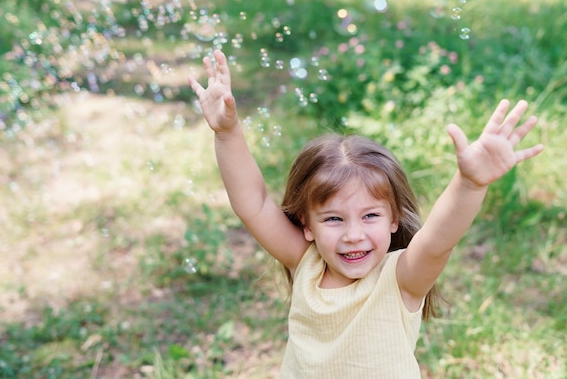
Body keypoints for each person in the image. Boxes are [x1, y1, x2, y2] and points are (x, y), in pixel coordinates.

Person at [188, 49, 543, 378]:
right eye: (333, 219)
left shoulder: (401, 279)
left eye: (370, 216)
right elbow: (254, 204)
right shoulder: (306, 263)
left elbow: (437, 241)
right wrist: (227, 132)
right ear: (306, 225)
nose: (353, 234)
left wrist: (470, 184)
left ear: (393, 219)